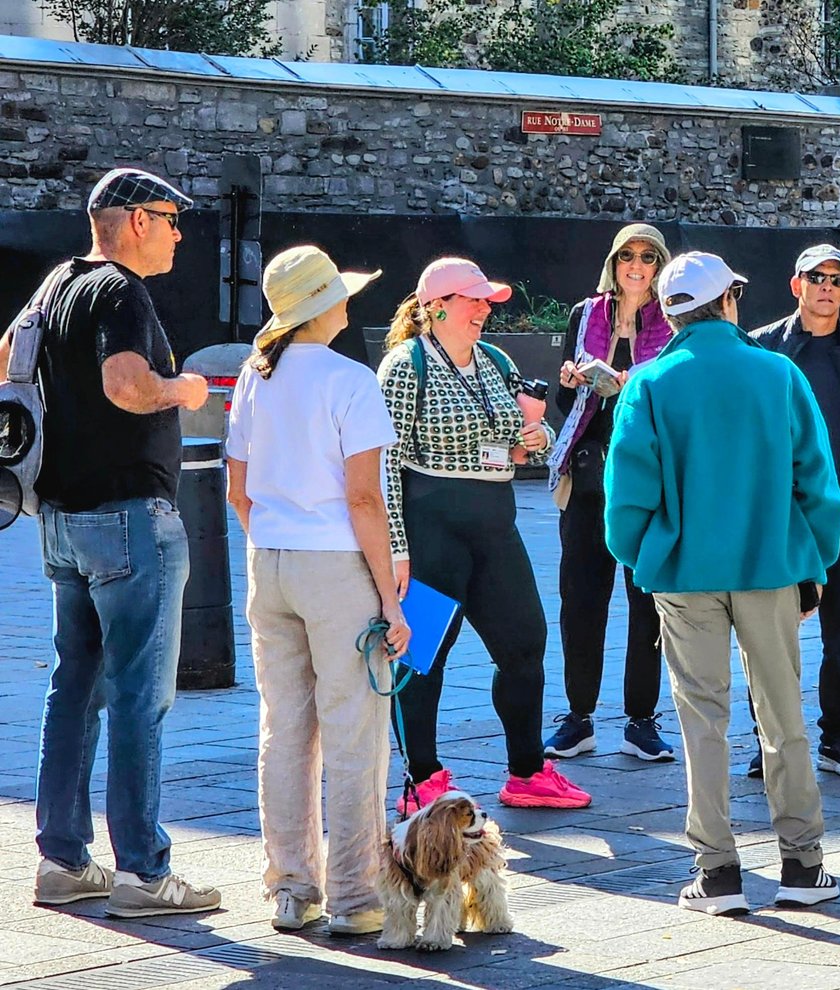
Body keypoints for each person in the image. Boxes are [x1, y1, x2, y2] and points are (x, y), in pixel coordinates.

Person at [0, 168, 220, 916]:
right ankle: (144, 874)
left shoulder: (55, 283)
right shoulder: (120, 291)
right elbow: (126, 384)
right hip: (129, 517)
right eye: (169, 217)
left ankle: (61, 860)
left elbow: (6, 358)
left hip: (62, 518)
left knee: (74, 689)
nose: (179, 231)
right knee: (136, 698)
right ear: (132, 221)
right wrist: (182, 391)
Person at [604, 251, 840, 915]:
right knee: (783, 714)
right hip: (769, 567)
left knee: (701, 721)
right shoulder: (778, 374)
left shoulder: (649, 383)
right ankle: (802, 863)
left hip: (684, 574)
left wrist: (645, 556)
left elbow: (625, 500)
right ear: (732, 298)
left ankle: (716, 873)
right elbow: (818, 486)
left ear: (671, 310)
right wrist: (814, 565)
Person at [226, 245, 412, 936]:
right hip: (335, 565)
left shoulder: (255, 376)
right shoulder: (350, 379)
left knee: (284, 729)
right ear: (322, 307)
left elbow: (237, 491)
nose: (346, 302)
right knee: (353, 730)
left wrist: (275, 535)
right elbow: (365, 499)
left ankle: (290, 885)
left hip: (268, 558)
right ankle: (356, 895)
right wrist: (390, 599)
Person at [378, 257, 591, 811]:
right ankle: (421, 778)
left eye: (485, 301)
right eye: (472, 300)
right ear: (437, 307)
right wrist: (396, 548)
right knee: (421, 655)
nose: (484, 310)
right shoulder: (406, 365)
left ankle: (527, 771)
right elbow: (386, 463)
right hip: (433, 525)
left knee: (525, 642)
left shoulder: (494, 359)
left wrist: (534, 436)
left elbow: (531, 438)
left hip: (495, 521)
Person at [748, 244, 840, 778]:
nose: (827, 287)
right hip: (776, 518)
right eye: (817, 277)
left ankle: (839, 735)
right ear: (796, 284)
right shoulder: (762, 350)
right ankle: (769, 740)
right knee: (767, 634)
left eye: (838, 279)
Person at [544, 223, 675, 763]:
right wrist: (572, 381)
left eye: (648, 256)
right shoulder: (586, 314)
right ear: (614, 263)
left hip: (644, 474)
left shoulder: (673, 320)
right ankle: (579, 717)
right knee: (580, 599)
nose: (637, 265)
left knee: (645, 600)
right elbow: (559, 405)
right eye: (628, 256)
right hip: (588, 471)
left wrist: (631, 384)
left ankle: (641, 720)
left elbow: (674, 398)